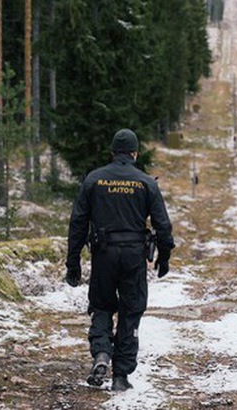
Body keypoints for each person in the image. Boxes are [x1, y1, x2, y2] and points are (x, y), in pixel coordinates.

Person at [65, 128, 175, 392]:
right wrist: (164, 257)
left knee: (102, 306)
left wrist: (73, 262)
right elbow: (162, 225)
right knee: (130, 311)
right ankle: (121, 375)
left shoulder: (94, 180)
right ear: (135, 153)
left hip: (103, 254)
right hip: (134, 256)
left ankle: (101, 353)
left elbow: (78, 223)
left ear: (113, 152)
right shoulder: (147, 183)